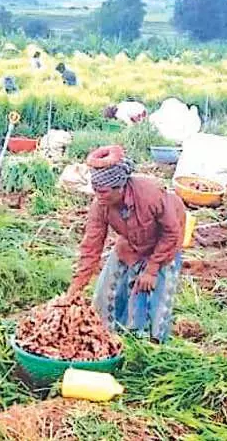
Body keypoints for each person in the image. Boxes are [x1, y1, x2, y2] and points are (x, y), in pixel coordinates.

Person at [68, 146, 185, 343]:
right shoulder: (100, 205)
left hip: (164, 245)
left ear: (119, 188)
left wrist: (152, 269)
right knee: (107, 294)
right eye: (96, 191)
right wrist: (77, 286)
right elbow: (92, 245)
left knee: (151, 296)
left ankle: (150, 344)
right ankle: (108, 338)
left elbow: (171, 232)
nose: (99, 196)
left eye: (104, 192)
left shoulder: (150, 194)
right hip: (130, 245)